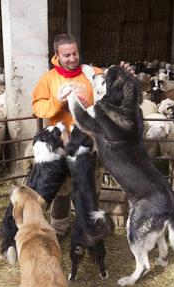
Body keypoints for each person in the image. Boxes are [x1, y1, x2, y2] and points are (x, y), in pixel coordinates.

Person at [31, 33, 133, 238]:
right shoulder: (49, 79)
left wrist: (125, 77)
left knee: (91, 188)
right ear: (57, 56)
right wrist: (57, 101)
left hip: (90, 143)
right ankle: (59, 230)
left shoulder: (91, 73)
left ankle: (90, 226)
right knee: (62, 191)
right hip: (63, 145)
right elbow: (37, 107)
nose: (72, 58)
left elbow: (115, 92)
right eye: (66, 55)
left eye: (75, 53)